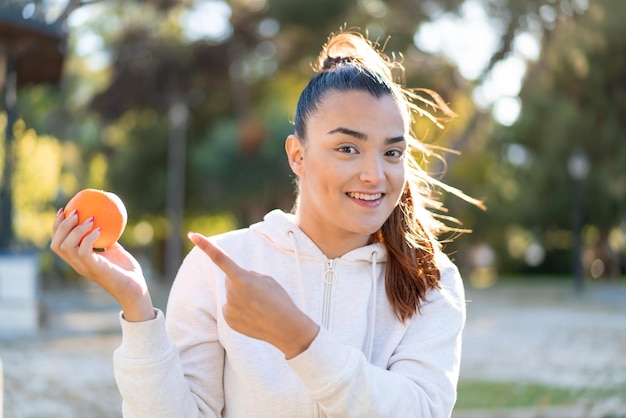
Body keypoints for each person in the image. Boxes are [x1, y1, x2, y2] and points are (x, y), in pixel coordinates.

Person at [51, 28, 479, 418]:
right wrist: (138, 310)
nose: (374, 173)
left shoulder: (431, 280)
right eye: (348, 148)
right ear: (297, 155)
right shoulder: (221, 266)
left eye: (392, 153)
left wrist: (300, 339)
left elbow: (420, 411)